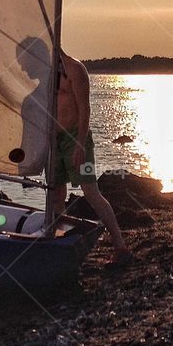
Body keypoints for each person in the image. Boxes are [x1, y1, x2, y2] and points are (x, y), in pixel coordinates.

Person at [52, 49, 131, 266]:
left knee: (91, 191)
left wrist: (80, 144)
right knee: (56, 193)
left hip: (76, 140)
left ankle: (120, 245)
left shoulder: (75, 69)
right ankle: (56, 247)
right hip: (54, 142)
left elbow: (84, 108)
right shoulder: (46, 71)